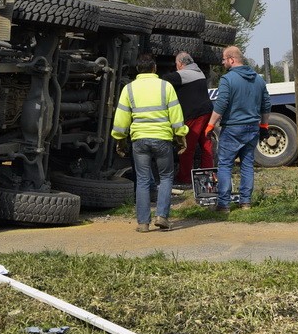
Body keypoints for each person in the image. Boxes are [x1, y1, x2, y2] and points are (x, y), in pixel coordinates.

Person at [111, 54, 188, 232]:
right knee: (166, 177)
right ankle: (162, 216)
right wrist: (181, 137)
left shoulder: (129, 89)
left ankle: (143, 223)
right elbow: (176, 115)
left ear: (138, 69)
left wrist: (120, 141)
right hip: (162, 139)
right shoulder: (165, 86)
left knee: (143, 180)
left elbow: (121, 119)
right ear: (154, 68)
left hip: (139, 140)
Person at [205, 46, 271, 212]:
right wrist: (264, 125)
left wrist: (211, 124)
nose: (222, 62)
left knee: (225, 165)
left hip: (233, 128)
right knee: (247, 165)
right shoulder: (258, 79)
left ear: (231, 60)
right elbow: (266, 105)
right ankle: (246, 203)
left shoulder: (227, 80)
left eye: (224, 59)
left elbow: (221, 104)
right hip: (252, 128)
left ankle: (223, 205)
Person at [161, 51, 215, 188]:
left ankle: (184, 178)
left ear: (180, 63)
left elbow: (164, 80)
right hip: (207, 112)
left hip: (194, 115)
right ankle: (208, 174)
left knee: (186, 147)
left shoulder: (184, 74)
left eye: (176, 64)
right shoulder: (199, 72)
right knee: (206, 145)